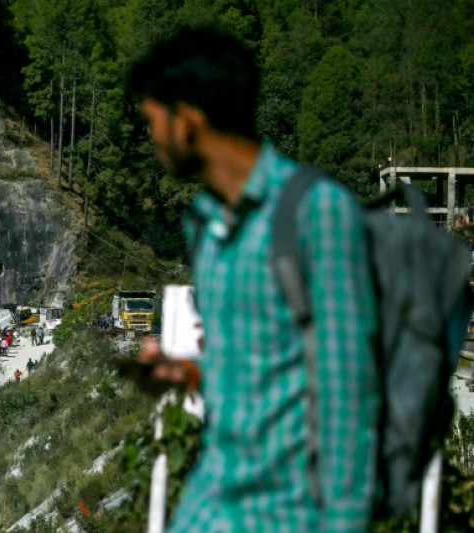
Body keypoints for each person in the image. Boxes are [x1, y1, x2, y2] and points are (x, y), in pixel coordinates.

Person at [129, 27, 378, 532]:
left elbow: (351, 399)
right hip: (213, 501)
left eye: (155, 121)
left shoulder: (315, 213)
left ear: (189, 120)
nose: (152, 137)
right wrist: (188, 371)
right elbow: (256, 359)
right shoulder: (208, 222)